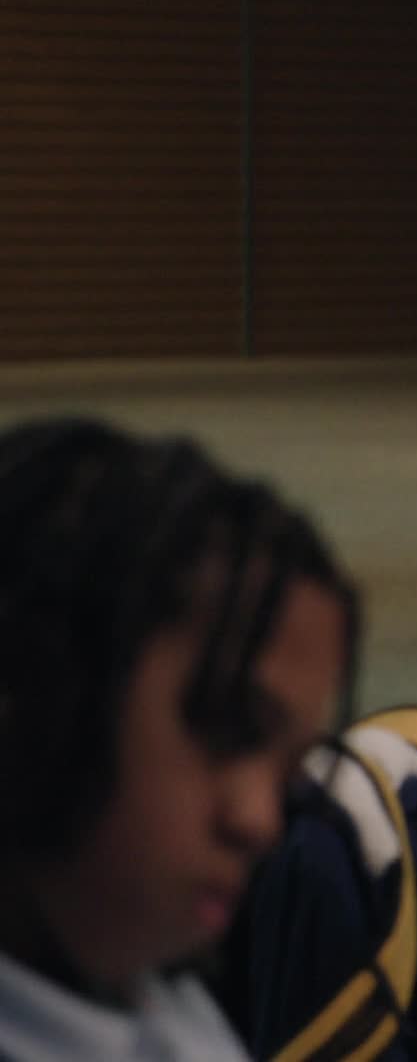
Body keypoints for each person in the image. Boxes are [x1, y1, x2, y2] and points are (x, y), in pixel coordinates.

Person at [0, 416, 360, 1060]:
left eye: (290, 777)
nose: (261, 823)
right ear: (29, 676)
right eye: (226, 728)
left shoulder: (145, 994)